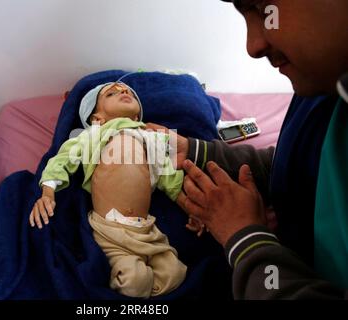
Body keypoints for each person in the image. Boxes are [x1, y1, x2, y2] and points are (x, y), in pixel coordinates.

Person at [149, 0, 348, 299]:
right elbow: (300, 165)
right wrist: (198, 151)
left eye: (263, 8)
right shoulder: (324, 88)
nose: (252, 46)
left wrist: (247, 239)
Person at [29, 81, 187, 298]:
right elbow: (61, 160)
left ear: (136, 116)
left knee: (175, 273)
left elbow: (170, 176)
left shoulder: (151, 137)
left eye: (128, 91)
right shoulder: (92, 135)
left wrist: (190, 207)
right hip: (110, 230)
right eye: (112, 93)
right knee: (134, 281)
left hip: (146, 229)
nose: (123, 91)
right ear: (97, 118)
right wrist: (47, 192)